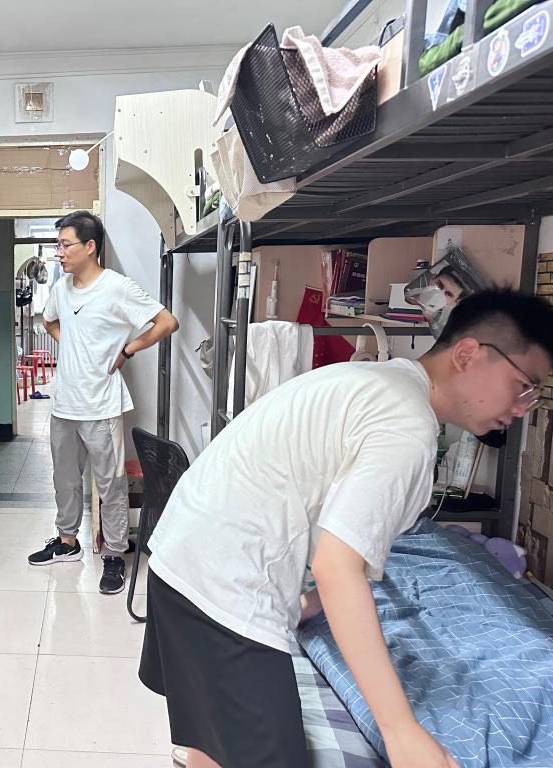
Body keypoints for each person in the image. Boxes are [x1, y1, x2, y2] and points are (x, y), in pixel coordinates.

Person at [139, 289, 553, 768]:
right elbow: (337, 566)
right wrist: (401, 731)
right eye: (524, 385)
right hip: (221, 589)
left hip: (180, 555)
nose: (523, 407)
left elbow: (319, 515)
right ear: (468, 354)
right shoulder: (407, 424)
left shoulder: (377, 383)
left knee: (212, 743)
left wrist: (305, 604)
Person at [27, 210, 179, 594]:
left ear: (90, 246)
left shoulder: (117, 288)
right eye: (58, 245)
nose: (59, 252)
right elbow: (49, 321)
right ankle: (67, 542)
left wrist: (127, 349)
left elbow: (166, 322)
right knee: (64, 480)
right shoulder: (61, 288)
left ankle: (114, 553)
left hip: (101, 406)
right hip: (64, 404)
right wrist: (74, 346)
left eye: (66, 245)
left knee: (110, 485)